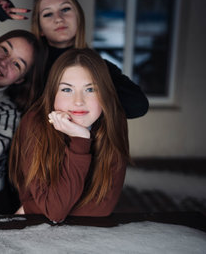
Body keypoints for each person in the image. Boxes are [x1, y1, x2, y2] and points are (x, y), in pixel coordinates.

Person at [0, 0, 149, 119]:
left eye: (65, 9)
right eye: (48, 14)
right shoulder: (29, 60)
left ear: (79, 16)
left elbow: (137, 105)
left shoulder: (97, 66)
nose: (58, 18)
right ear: (39, 28)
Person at [9, 48, 130, 222]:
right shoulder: (36, 121)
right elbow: (55, 212)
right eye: (67, 90)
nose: (78, 101)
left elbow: (102, 207)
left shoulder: (114, 120)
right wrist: (80, 140)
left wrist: (33, 207)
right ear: (53, 94)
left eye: (90, 90)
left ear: (105, 93)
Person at [0, 29, 46, 214]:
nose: (4, 62)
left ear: (20, 80)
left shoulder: (7, 113)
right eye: (5, 49)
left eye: (17, 64)